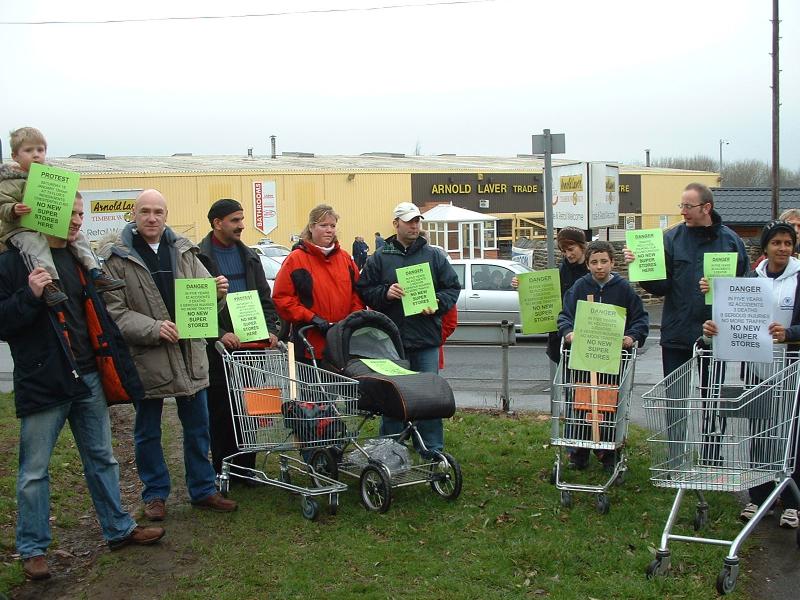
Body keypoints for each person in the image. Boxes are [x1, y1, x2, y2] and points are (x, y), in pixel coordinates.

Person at [0, 193, 165, 581]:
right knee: (35, 472)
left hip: (88, 375)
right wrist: (30, 294)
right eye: (68, 213)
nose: (76, 221)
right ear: (43, 212)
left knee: (102, 458)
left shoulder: (81, 260)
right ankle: (33, 549)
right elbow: (4, 322)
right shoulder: (12, 263)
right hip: (44, 379)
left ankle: (119, 530)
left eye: (79, 213)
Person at [99, 189, 237, 522]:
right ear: (134, 215)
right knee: (147, 430)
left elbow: (206, 299)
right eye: (145, 211)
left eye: (158, 212)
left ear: (166, 215)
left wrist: (218, 293)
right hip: (149, 357)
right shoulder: (116, 258)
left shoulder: (185, 251)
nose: (151, 218)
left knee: (198, 427)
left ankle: (203, 489)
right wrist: (153, 327)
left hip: (190, 354)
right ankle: (155, 494)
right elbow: (114, 312)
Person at [700, 220, 800, 529]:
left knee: (791, 435)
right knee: (759, 432)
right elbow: (734, 317)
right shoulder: (749, 279)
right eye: (777, 242)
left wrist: (790, 333)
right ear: (766, 246)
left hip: (793, 369)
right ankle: (759, 497)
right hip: (757, 369)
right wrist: (713, 329)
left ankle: (793, 503)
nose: (782, 248)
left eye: (788, 243)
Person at [357, 202, 461, 458]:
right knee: (393, 395)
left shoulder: (434, 256)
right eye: (409, 221)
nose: (414, 226)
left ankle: (432, 451)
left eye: (417, 221)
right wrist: (386, 293)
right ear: (396, 224)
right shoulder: (379, 258)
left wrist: (437, 303)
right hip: (392, 343)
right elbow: (363, 289)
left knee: (429, 397)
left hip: (425, 339)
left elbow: (452, 288)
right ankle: (391, 451)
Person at [624, 182, 749, 378]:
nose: (682, 212)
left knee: (712, 400)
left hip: (714, 333)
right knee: (676, 402)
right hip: (677, 333)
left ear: (706, 208)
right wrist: (641, 268)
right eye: (681, 206)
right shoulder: (671, 239)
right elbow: (661, 287)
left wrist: (722, 288)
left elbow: (743, 286)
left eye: (688, 206)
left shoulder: (731, 241)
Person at [197, 198, 279, 478]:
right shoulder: (199, 257)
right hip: (219, 351)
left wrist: (271, 329)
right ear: (217, 223)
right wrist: (219, 334)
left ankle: (247, 469)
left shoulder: (250, 256)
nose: (241, 225)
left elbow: (265, 300)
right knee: (221, 413)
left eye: (242, 219)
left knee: (251, 410)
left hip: (252, 349)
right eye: (235, 220)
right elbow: (194, 308)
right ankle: (223, 469)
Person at [0, 127, 124, 306]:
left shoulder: (51, 177)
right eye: (28, 150)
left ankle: (96, 272)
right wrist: (12, 209)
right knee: (35, 245)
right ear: (15, 156)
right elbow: (2, 205)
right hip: (20, 229)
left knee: (80, 237)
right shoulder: (9, 181)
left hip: (46, 225)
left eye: (40, 150)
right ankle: (50, 284)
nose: (36, 155)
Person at [557, 240, 649, 470]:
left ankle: (608, 452)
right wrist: (569, 333)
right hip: (583, 360)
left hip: (612, 361)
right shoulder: (580, 287)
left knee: (608, 406)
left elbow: (640, 318)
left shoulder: (623, 289)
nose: (599, 267)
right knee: (581, 404)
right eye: (594, 262)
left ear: (613, 263)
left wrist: (631, 337)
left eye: (604, 262)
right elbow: (565, 316)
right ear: (587, 265)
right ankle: (579, 452)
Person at [272, 204, 365, 362]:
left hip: (342, 343)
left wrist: (351, 319)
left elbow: (358, 293)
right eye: (323, 225)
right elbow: (282, 299)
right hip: (309, 343)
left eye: (332, 226)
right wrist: (311, 317)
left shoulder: (345, 259)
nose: (329, 230)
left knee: (343, 387)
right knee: (312, 387)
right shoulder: (296, 259)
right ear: (311, 227)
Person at [512, 227, 589, 363]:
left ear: (582, 246)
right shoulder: (562, 269)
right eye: (564, 251)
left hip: (587, 333)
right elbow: (543, 292)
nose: (568, 254)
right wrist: (522, 284)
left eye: (571, 249)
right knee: (568, 380)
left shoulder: (592, 270)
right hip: (564, 336)